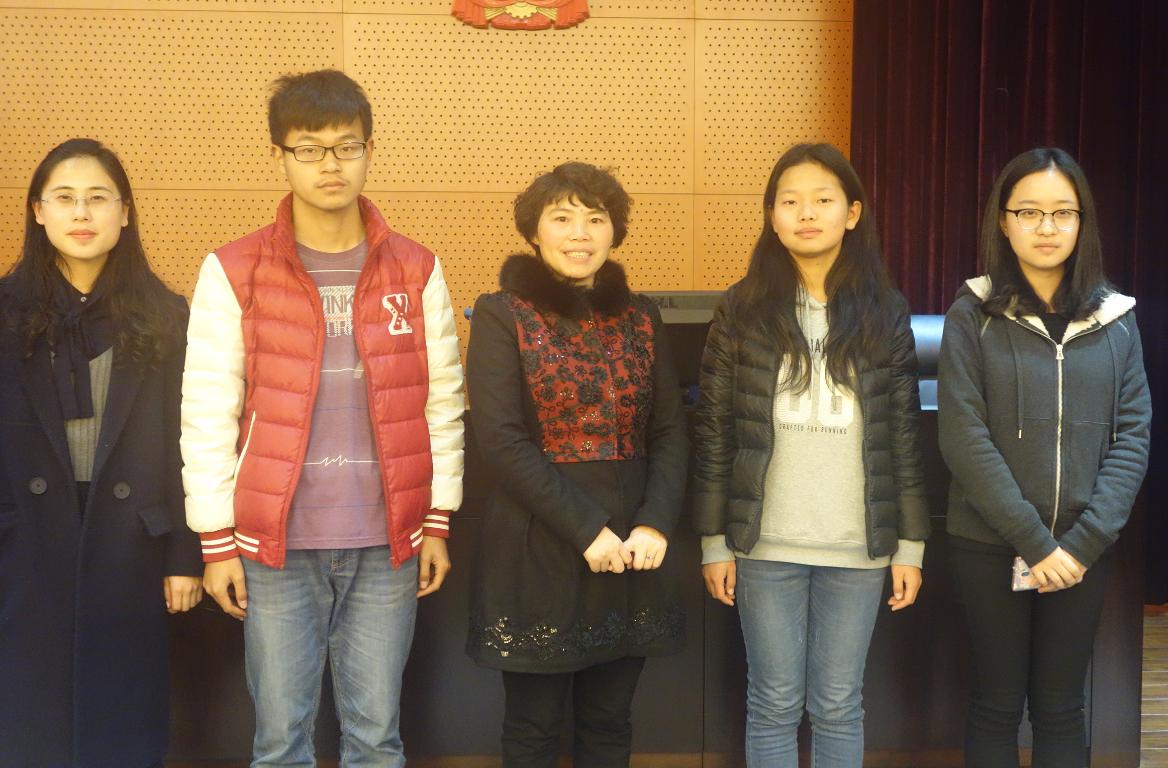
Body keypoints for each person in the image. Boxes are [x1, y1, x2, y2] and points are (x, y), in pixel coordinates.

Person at [179, 69, 464, 765]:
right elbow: (207, 409)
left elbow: (441, 404)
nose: (329, 164)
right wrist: (216, 541)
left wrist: (437, 519)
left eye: (346, 146)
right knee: (281, 740)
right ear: (280, 155)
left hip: (387, 540)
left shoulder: (416, 268)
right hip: (275, 543)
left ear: (369, 149)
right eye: (308, 148)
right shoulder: (234, 268)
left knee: (377, 737)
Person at [691, 142, 929, 767]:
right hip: (764, 542)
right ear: (772, 216)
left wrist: (910, 545)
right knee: (772, 701)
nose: (805, 213)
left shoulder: (884, 312)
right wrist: (714, 541)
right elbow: (713, 431)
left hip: (858, 544)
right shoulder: (742, 308)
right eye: (789, 201)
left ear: (852, 213)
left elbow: (904, 436)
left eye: (823, 200)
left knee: (838, 703)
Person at [464, 161, 688, 767]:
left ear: (615, 232)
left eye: (595, 219)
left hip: (633, 545)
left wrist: (655, 522)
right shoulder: (501, 313)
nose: (580, 233)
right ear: (534, 232)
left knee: (610, 723)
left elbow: (670, 429)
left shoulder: (642, 316)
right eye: (562, 219)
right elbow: (500, 441)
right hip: (540, 544)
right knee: (533, 729)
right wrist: (588, 529)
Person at [937, 147, 1151, 768]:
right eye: (1029, 212)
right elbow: (964, 436)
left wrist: (1082, 544)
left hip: (1083, 546)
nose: (1047, 227)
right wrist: (1035, 543)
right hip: (989, 542)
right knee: (996, 704)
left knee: (1062, 707)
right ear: (1004, 222)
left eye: (1062, 212)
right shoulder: (972, 314)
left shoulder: (1116, 320)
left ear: (1083, 222)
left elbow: (1133, 436)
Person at [0, 138, 203, 767]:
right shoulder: (4, 312)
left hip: (132, 538)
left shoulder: (165, 314)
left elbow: (187, 441)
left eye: (98, 198)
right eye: (64, 198)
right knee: (30, 710)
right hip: (25, 537)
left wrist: (185, 554)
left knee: (122, 710)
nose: (82, 213)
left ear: (125, 212)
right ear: (38, 212)